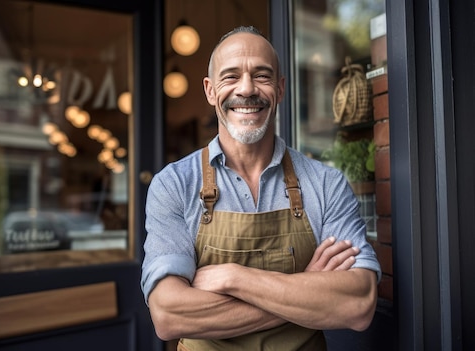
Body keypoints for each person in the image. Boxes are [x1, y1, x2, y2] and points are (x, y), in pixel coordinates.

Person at [140, 26, 380, 350]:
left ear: (280, 89)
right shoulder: (174, 185)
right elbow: (169, 315)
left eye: (262, 76)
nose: (247, 88)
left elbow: (359, 302)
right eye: (231, 76)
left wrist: (232, 278)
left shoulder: (326, 184)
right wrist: (306, 289)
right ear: (210, 91)